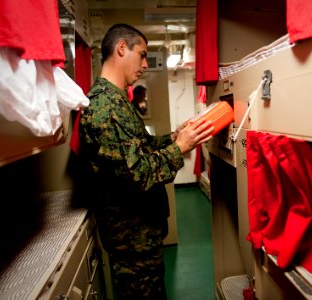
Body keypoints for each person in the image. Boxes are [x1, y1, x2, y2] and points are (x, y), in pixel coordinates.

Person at [77, 23, 214, 299]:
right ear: (121, 48)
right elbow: (137, 173)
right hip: (131, 244)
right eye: (141, 54)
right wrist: (179, 148)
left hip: (140, 237)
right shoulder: (105, 106)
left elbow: (139, 147)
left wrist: (176, 136)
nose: (144, 64)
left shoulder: (116, 101)